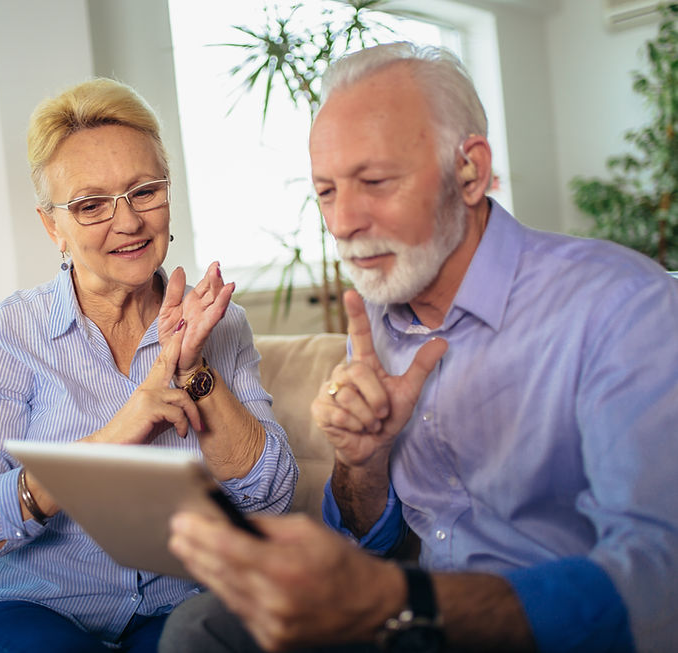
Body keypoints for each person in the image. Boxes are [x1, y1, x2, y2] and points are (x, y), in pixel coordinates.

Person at [160, 42, 678, 653]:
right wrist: (362, 459)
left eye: (374, 181)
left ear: (470, 171)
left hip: (548, 631)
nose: (343, 221)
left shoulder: (621, 305)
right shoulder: (378, 313)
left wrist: (403, 602)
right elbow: (363, 538)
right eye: (326, 192)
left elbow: (659, 580)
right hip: (412, 620)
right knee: (203, 627)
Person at [0, 78, 297, 653]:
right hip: (24, 606)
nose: (128, 223)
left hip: (173, 606)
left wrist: (195, 369)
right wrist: (96, 452)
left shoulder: (219, 324)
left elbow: (271, 500)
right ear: (53, 227)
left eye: (144, 191)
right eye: (90, 205)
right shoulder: (7, 335)